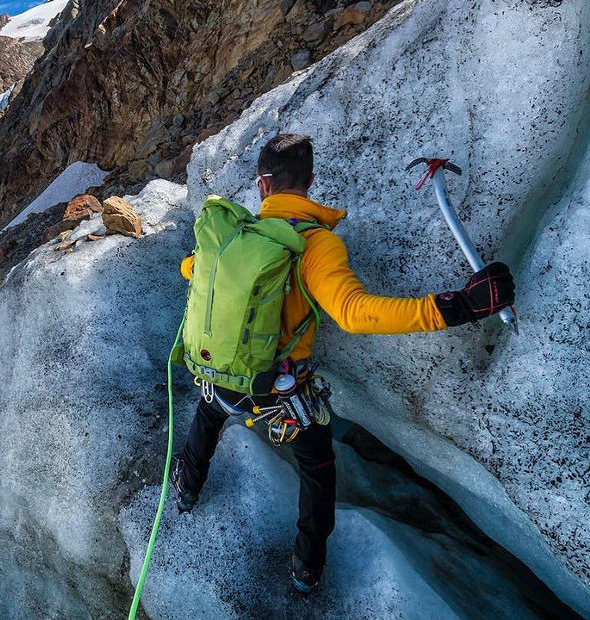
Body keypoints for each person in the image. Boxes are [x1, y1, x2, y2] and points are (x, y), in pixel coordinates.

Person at [171, 134, 516, 594]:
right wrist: (458, 307)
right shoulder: (316, 245)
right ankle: (306, 565)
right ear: (310, 182)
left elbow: (190, 269)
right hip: (280, 395)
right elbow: (354, 313)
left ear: (262, 185)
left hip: (225, 381)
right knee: (316, 467)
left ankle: (187, 487)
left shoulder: (239, 237)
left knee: (209, 411)